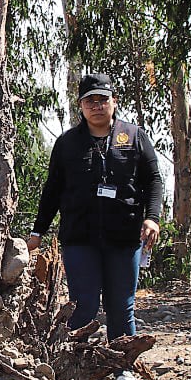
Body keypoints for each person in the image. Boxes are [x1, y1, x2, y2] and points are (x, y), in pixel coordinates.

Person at [26, 73, 162, 339]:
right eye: (90, 101)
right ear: (81, 106)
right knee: (83, 305)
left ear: (114, 101)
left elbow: (154, 179)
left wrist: (152, 218)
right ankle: (77, 369)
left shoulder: (134, 136)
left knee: (122, 307)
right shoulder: (67, 143)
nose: (97, 106)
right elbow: (52, 191)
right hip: (79, 239)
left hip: (124, 238)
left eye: (102, 100)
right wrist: (37, 233)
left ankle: (123, 371)